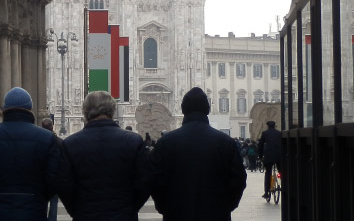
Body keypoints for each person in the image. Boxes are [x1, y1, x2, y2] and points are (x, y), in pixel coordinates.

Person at [149, 87, 246, 220]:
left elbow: (154, 179)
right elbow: (238, 179)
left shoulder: (165, 142)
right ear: (207, 110)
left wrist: (165, 207)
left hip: (177, 214)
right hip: (215, 214)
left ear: (183, 109)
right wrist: (225, 206)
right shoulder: (225, 142)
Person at [0, 87, 62, 220]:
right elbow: (55, 177)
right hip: (33, 212)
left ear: (5, 109)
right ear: (30, 109)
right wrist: (39, 197)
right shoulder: (46, 138)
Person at [57, 91, 150, 221]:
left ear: (85, 111)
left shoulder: (70, 144)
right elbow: (144, 182)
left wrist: (78, 211)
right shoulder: (133, 141)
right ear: (113, 110)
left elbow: (64, 186)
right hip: (123, 215)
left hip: (85, 215)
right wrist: (129, 208)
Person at [41, 118, 60, 221]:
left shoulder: (38, 141)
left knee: (42, 202)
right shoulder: (59, 141)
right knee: (54, 202)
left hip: (41, 178)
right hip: (55, 178)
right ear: (52, 127)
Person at [258, 120, 283, 200]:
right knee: (281, 171)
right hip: (278, 156)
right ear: (274, 126)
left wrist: (260, 156)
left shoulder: (265, 133)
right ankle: (285, 186)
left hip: (268, 156)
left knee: (268, 173)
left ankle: (266, 192)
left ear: (268, 126)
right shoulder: (279, 133)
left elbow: (261, 145)